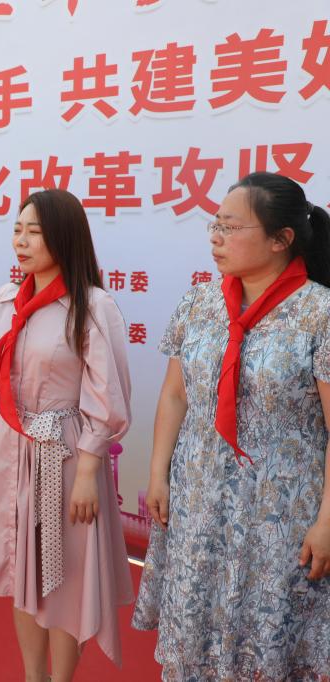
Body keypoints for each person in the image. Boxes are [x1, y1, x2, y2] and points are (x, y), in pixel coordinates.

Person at [132, 172, 330, 680]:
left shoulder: (320, 313)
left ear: (281, 239)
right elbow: (175, 394)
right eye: (214, 225)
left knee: (267, 645)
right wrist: (158, 473)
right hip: (198, 500)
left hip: (280, 514)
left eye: (231, 227)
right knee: (193, 638)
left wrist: (327, 521)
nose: (216, 238)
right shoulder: (198, 303)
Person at [0, 189, 133, 681]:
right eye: (18, 230)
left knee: (64, 580)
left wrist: (89, 471)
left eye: (34, 232)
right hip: (7, 449)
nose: (21, 241)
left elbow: (107, 393)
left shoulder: (93, 306)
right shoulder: (5, 300)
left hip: (65, 455)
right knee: (21, 573)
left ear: (64, 237)